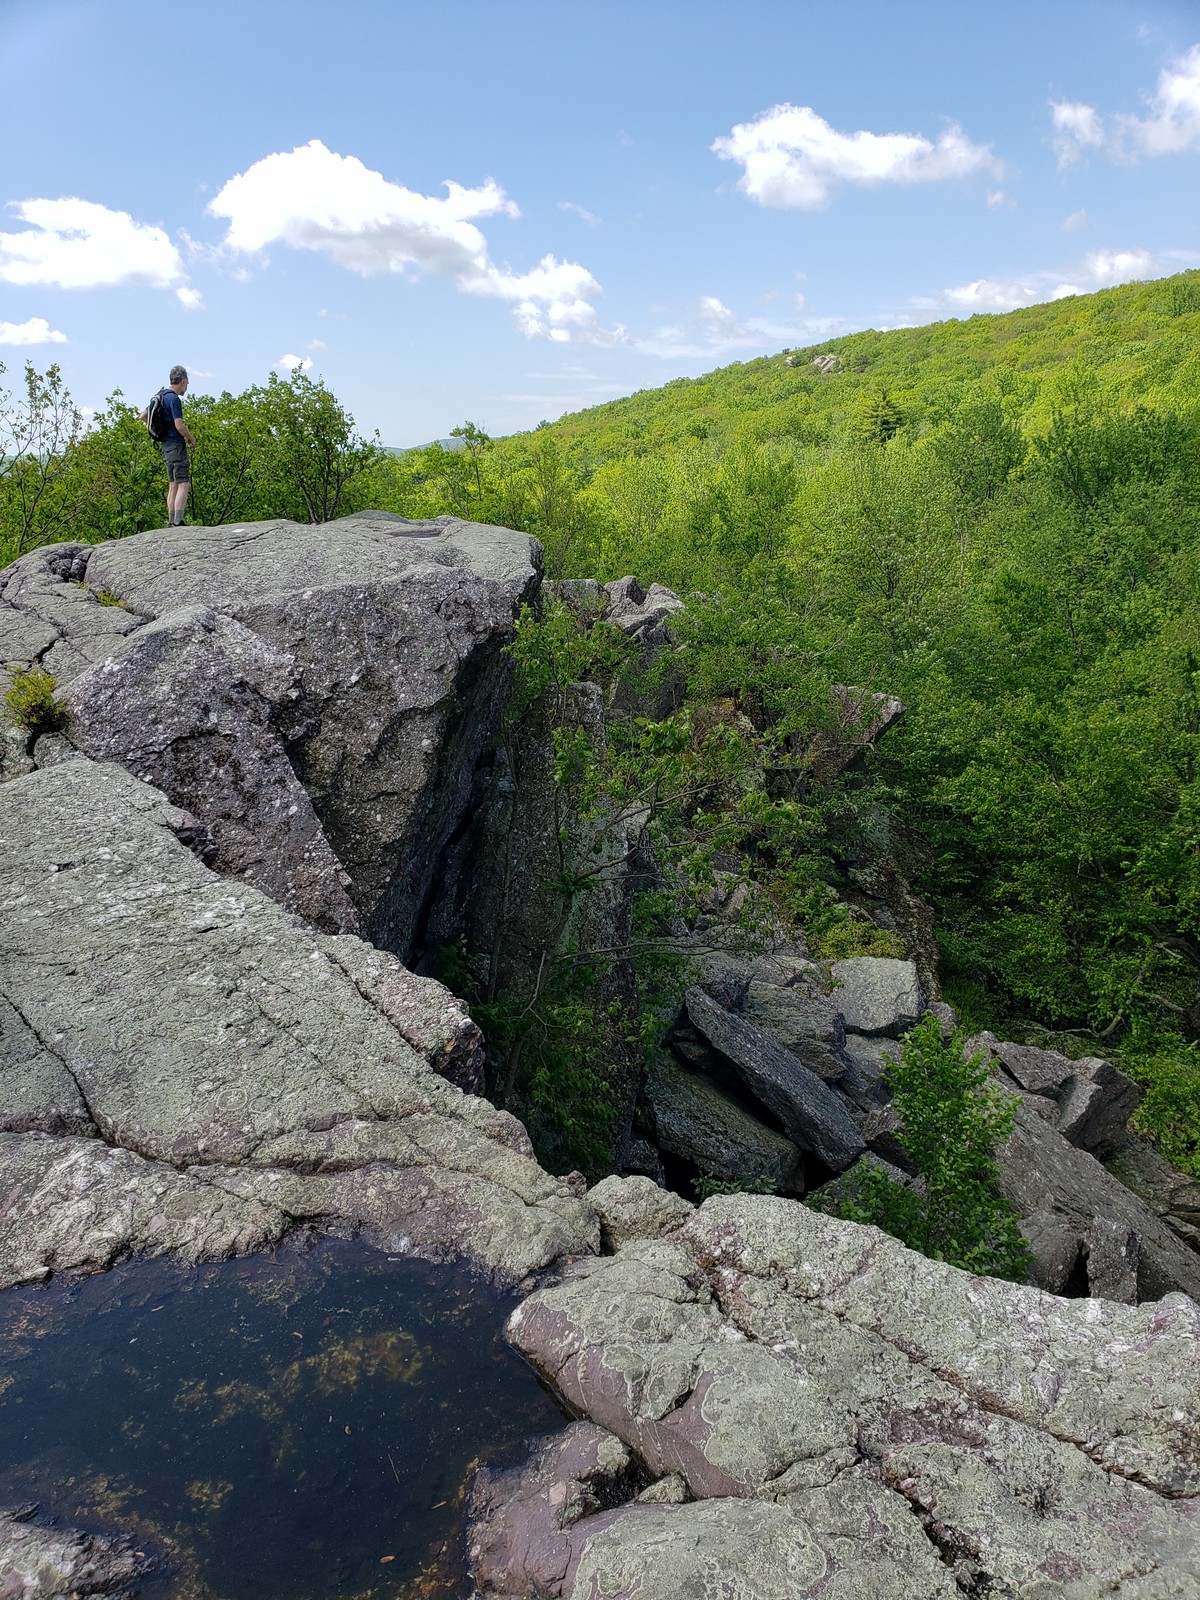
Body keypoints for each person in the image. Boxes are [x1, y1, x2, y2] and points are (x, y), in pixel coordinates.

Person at [142, 365, 196, 526]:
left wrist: (160, 431)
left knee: (173, 483)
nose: (186, 388)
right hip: (176, 444)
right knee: (183, 482)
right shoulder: (174, 399)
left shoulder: (161, 395)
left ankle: (171, 520)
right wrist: (191, 438)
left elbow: (143, 416)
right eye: (187, 384)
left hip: (165, 445)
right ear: (183, 381)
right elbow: (179, 425)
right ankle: (178, 522)